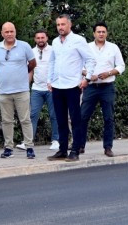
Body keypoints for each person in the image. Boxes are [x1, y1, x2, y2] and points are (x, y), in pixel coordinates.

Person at [47, 14, 96, 162]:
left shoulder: (78, 40)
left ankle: (75, 150)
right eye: (58, 25)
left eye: (63, 24)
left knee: (75, 119)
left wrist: (86, 79)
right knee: (60, 119)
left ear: (70, 25)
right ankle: (62, 150)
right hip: (57, 85)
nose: (60, 27)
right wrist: (49, 80)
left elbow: (91, 60)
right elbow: (52, 62)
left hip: (72, 86)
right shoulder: (55, 42)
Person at [0, 22, 37, 159]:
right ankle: (8, 148)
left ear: (15, 32)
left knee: (25, 120)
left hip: (22, 90)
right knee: (6, 121)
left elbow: (33, 64)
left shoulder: (25, 46)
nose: (9, 34)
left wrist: (21, 74)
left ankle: (29, 147)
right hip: (4, 91)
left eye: (11, 31)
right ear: (2, 33)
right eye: (6, 32)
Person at [80, 22, 125, 157]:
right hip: (91, 87)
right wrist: (89, 76)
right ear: (93, 33)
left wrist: (109, 73)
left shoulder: (113, 47)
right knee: (83, 117)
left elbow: (121, 66)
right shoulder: (86, 47)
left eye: (103, 32)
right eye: (98, 32)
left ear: (107, 33)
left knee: (108, 118)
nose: (101, 34)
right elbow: (79, 66)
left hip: (107, 87)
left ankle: (108, 147)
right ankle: (79, 145)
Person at [23, 29, 59, 151]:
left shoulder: (54, 50)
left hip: (52, 88)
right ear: (35, 39)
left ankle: (56, 140)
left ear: (47, 38)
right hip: (36, 89)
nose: (40, 40)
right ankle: (28, 141)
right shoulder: (31, 52)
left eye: (42, 38)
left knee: (54, 115)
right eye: (38, 38)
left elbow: (58, 67)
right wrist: (26, 87)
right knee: (32, 115)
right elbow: (30, 71)